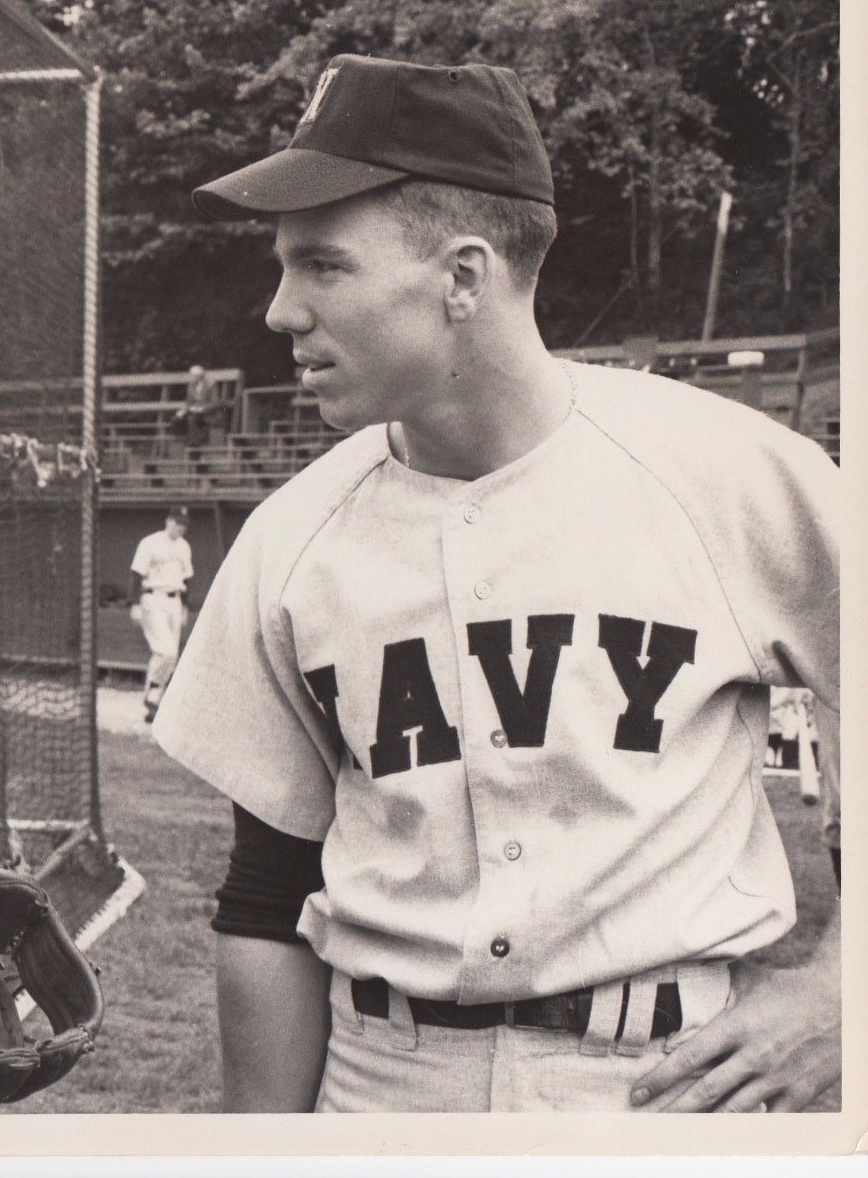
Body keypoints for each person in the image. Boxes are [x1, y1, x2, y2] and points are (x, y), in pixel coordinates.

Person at [156, 55, 840, 1113]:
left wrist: (842, 991)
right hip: (380, 1077)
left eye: (321, 264)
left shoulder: (729, 476)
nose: (279, 310)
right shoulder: (289, 535)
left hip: (663, 1085)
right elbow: (265, 895)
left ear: (462, 276)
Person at [129, 506, 194, 724]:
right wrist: (133, 602)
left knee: (171, 655)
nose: (181, 527)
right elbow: (136, 573)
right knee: (164, 651)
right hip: (153, 598)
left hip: (174, 600)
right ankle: (154, 694)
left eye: (184, 524)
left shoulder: (184, 547)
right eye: (177, 522)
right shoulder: (150, 542)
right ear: (168, 521)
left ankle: (154, 700)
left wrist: (185, 606)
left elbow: (187, 578)